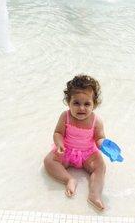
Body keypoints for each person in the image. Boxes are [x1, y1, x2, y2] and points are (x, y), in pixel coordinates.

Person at [44, 74, 106, 211]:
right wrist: (59, 144)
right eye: (76, 103)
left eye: (87, 104)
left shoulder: (97, 121)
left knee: (100, 167)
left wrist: (103, 145)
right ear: (68, 102)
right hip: (66, 150)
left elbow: (99, 138)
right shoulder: (65, 116)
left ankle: (94, 194)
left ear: (94, 104)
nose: (81, 108)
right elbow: (58, 133)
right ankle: (69, 179)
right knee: (49, 161)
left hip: (88, 154)